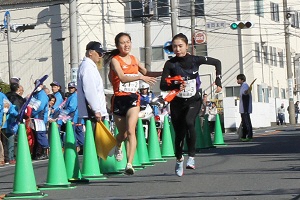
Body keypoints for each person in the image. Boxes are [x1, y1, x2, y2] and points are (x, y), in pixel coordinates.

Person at [160, 33, 222, 177]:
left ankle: (192, 157)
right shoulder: (170, 64)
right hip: (177, 102)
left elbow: (217, 62)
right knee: (179, 134)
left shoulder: (195, 60)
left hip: (194, 99)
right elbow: (163, 85)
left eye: (180, 46)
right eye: (174, 46)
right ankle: (179, 158)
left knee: (189, 122)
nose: (177, 49)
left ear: (187, 46)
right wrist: (175, 83)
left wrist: (218, 80)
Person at [105, 32, 161, 175]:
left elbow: (147, 72)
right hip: (118, 99)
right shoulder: (115, 61)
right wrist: (141, 77)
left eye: (128, 41)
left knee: (131, 130)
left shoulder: (134, 59)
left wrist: (163, 72)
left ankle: (129, 164)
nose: (126, 45)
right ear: (118, 45)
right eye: (123, 42)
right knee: (122, 134)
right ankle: (117, 144)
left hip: (132, 99)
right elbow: (122, 78)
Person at [77, 41, 108, 124]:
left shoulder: (90, 66)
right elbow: (90, 90)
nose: (101, 56)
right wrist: (96, 110)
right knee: (95, 136)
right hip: (93, 113)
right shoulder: (87, 67)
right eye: (99, 53)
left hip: (95, 112)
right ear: (90, 52)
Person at [30, 80, 49, 160]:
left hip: (39, 118)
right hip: (35, 118)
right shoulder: (36, 94)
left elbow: (40, 107)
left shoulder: (42, 95)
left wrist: (31, 112)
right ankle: (39, 152)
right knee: (37, 135)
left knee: (41, 135)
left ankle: (44, 152)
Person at [236, 74, 253, 142]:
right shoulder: (243, 86)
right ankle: (244, 136)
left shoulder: (245, 86)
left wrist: (246, 92)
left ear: (242, 80)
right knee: (244, 122)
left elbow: (246, 94)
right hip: (243, 108)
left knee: (247, 122)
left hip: (245, 108)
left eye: (238, 79)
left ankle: (249, 135)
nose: (237, 81)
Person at [2, 99, 18, 165]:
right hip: (3, 128)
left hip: (10, 128)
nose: (6, 107)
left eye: (7, 106)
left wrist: (9, 110)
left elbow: (16, 114)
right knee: (4, 144)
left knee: (11, 144)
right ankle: (6, 158)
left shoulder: (12, 109)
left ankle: (11, 158)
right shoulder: (1, 111)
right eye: (4, 106)